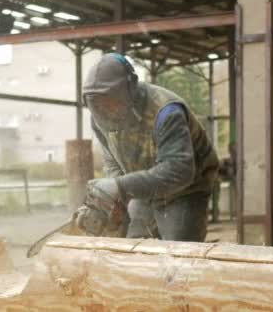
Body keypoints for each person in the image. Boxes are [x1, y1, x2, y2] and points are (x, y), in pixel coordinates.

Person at [75, 53, 219, 242]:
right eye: (99, 104)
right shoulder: (100, 118)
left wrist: (120, 186)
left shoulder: (166, 111)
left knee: (178, 253)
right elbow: (112, 159)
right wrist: (113, 197)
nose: (107, 110)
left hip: (187, 189)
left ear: (130, 89)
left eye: (112, 102)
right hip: (145, 187)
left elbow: (179, 171)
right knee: (135, 246)